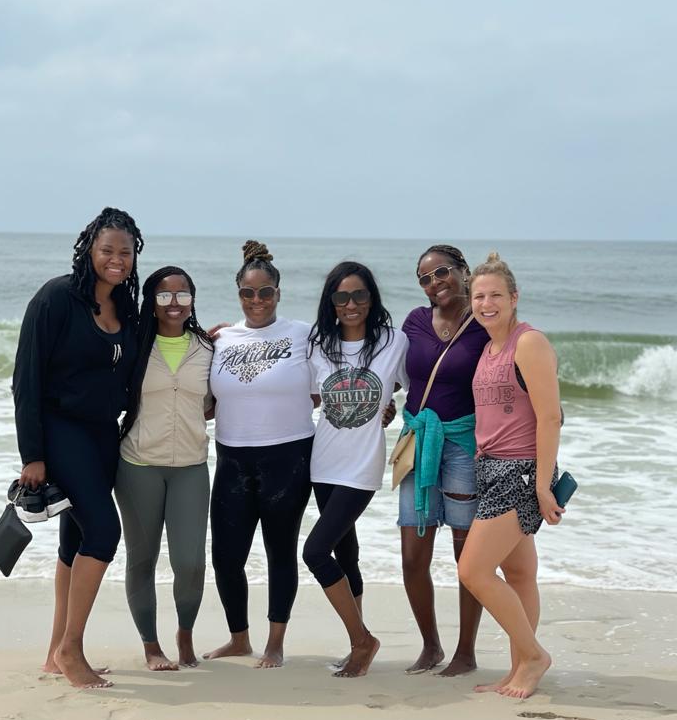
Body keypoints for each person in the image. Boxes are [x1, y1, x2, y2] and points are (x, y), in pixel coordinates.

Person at [12, 207, 142, 689]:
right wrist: (33, 454)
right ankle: (71, 650)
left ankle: (54, 652)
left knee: (74, 540)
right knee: (104, 532)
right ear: (90, 250)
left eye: (125, 253)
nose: (116, 260)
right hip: (60, 430)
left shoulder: (124, 308)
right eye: (107, 250)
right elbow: (26, 378)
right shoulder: (56, 298)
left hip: (104, 434)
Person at [457, 253, 563, 699]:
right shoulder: (487, 348)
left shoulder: (528, 343)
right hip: (491, 468)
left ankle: (534, 655)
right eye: (479, 296)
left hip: (519, 472)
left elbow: (550, 417)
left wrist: (541, 485)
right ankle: (520, 668)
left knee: (473, 570)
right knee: (518, 573)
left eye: (496, 294)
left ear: (514, 298)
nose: (486, 303)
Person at [205, 241, 315, 668]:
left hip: (288, 456)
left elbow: (340, 371)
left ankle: (275, 642)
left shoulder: (303, 334)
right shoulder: (220, 339)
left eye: (265, 292)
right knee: (225, 555)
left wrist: (381, 403)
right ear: (238, 295)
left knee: (279, 550)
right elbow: (205, 398)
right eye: (248, 293)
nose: (256, 301)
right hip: (232, 457)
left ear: (278, 293)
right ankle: (239, 638)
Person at [304, 261, 408, 677]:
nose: (351, 304)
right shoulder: (317, 344)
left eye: (360, 296)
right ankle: (356, 644)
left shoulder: (392, 342)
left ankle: (364, 641)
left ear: (372, 299)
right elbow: (308, 394)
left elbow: (414, 381)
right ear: (332, 302)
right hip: (323, 462)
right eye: (342, 297)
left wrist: (392, 403)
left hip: (362, 467)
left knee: (314, 552)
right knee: (346, 554)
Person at [115, 266, 214, 671]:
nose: (174, 303)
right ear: (151, 303)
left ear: (192, 299)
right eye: (164, 295)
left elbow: (224, 398)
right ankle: (151, 646)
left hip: (191, 465)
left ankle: (185, 635)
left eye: (183, 294)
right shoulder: (134, 345)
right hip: (138, 464)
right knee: (142, 558)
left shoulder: (209, 348)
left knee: (190, 562)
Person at [399, 245, 489, 675]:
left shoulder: (485, 324)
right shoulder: (415, 321)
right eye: (425, 278)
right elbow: (393, 371)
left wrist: (546, 403)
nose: (435, 283)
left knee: (466, 558)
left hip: (463, 447)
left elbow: (512, 364)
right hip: (417, 442)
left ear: (463, 272)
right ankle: (430, 646)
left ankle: (466, 652)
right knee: (413, 557)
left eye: (442, 272)